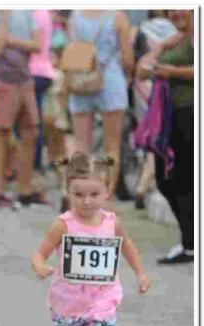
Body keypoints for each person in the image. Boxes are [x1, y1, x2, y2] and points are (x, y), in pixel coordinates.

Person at [32, 153, 151, 326]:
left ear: (107, 191)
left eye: (94, 194)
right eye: (79, 195)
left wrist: (141, 274)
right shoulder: (63, 225)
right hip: (68, 301)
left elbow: (128, 246)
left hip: (102, 297)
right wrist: (39, 266)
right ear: (68, 192)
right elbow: (40, 254)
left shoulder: (112, 223)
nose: (87, 202)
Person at [136, 9, 194, 265]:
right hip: (170, 118)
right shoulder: (172, 39)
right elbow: (141, 71)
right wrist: (160, 48)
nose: (176, 13)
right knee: (166, 180)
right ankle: (190, 241)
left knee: (187, 180)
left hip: (192, 114)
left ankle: (190, 244)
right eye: (171, 9)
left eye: (182, 7)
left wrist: (169, 71)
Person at [0, 10, 50, 211]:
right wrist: (4, 19)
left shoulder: (24, 11)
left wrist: (8, 39)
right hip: (1, 80)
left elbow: (37, 46)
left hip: (24, 79)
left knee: (31, 131)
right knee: (0, 133)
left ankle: (25, 191)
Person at [66, 11, 135, 198]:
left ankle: (79, 196)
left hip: (80, 77)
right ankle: (104, 197)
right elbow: (128, 58)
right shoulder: (117, 16)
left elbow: (71, 47)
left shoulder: (75, 16)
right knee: (111, 147)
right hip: (110, 79)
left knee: (81, 146)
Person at [30, 10, 56, 180]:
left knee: (30, 123)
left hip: (33, 71)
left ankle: (35, 163)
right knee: (36, 120)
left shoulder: (33, 13)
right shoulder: (44, 12)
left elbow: (36, 44)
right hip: (44, 70)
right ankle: (37, 163)